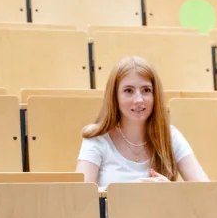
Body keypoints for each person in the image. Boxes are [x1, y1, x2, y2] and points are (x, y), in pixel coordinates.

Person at [76, 56, 209, 187]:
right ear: (115, 96)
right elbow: (81, 198)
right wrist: (131, 190)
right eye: (129, 91)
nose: (139, 99)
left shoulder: (170, 136)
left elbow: (206, 191)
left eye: (146, 90)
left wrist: (172, 192)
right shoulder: (97, 138)